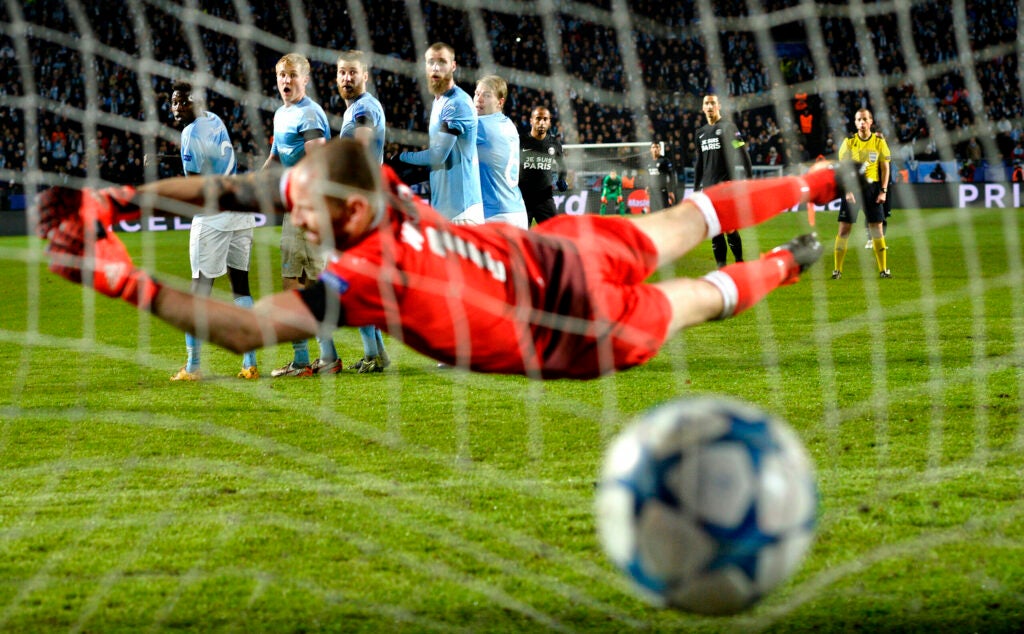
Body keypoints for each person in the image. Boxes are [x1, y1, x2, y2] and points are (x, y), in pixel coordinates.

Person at [37, 137, 867, 381]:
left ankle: (791, 262)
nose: (291, 222)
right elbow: (238, 191)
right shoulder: (381, 189)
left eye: (304, 215)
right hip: (551, 250)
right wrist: (119, 202)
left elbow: (249, 332)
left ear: (353, 211)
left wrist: (124, 278)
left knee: (695, 297)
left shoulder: (366, 280)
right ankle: (820, 184)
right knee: (686, 219)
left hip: (578, 328)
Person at [167, 81, 259, 381]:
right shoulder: (213, 119)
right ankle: (250, 363)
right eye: (174, 102)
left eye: (183, 102)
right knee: (240, 286)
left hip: (214, 216)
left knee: (199, 291)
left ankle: (193, 367)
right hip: (240, 209)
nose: (177, 108)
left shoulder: (190, 133)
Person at [262, 52, 341, 377]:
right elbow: (277, 155)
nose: (286, 80)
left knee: (300, 282)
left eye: (292, 75)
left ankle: (309, 359)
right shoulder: (282, 114)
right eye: (282, 74)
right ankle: (321, 357)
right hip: (294, 209)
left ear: (305, 80)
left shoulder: (310, 115)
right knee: (302, 282)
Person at [335, 49, 391, 374]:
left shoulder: (364, 109)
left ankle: (373, 355)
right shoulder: (356, 108)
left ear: (365, 75)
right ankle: (377, 353)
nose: (347, 78)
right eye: (343, 72)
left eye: (353, 72)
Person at [398, 42, 482, 225]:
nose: (435, 67)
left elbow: (437, 156)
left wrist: (400, 158)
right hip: (445, 209)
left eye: (442, 61)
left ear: (453, 66)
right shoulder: (439, 102)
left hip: (462, 211)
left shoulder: (457, 103)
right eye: (430, 62)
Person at [832, 108, 892, 280]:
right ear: (855, 122)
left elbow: (885, 168)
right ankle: (837, 270)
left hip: (872, 190)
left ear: (871, 122)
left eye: (865, 119)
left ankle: (883, 270)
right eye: (859, 120)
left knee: (877, 230)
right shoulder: (849, 143)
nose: (862, 122)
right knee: (844, 229)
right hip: (853, 189)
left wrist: (883, 190)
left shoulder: (879, 142)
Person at [694, 92, 752, 268]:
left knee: (729, 227)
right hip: (709, 190)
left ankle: (740, 263)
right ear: (703, 108)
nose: (710, 107)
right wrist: (697, 188)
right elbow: (700, 163)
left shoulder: (728, 128)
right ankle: (722, 269)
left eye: (713, 103)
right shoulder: (701, 133)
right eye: (707, 104)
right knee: (715, 230)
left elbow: (743, 155)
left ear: (718, 106)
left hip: (727, 186)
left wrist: (749, 180)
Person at [473, 75, 528, 229]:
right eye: (477, 93)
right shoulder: (508, 123)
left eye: (487, 95)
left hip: (497, 217)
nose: (479, 99)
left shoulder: (479, 125)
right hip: (517, 211)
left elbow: (440, 152)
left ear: (500, 102)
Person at [518, 105, 567, 227]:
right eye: (538, 118)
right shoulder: (520, 141)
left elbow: (562, 166)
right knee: (520, 236)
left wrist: (562, 179)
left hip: (544, 199)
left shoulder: (554, 143)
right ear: (531, 121)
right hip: (522, 198)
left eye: (545, 119)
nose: (541, 122)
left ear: (549, 122)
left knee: (555, 232)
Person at [646, 142, 676, 213]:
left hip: (662, 190)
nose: (655, 149)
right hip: (652, 191)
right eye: (653, 147)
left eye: (657, 147)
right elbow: (648, 175)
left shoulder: (664, 160)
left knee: (664, 211)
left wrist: (671, 191)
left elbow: (671, 175)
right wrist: (647, 185)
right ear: (650, 149)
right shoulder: (648, 162)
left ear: (660, 149)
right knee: (654, 212)